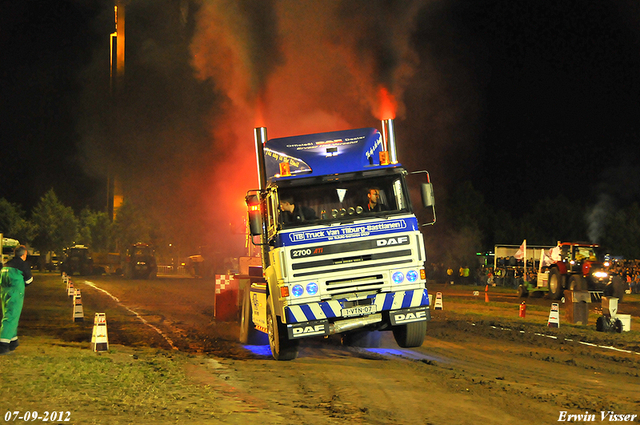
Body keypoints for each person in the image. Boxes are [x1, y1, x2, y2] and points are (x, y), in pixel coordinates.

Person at [1, 245, 33, 354]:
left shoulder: (6, 264)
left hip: (4, 292)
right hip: (16, 292)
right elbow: (29, 280)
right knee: (11, 316)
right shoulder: (23, 265)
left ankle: (13, 341)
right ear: (24, 254)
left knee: (10, 314)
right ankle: (3, 343)